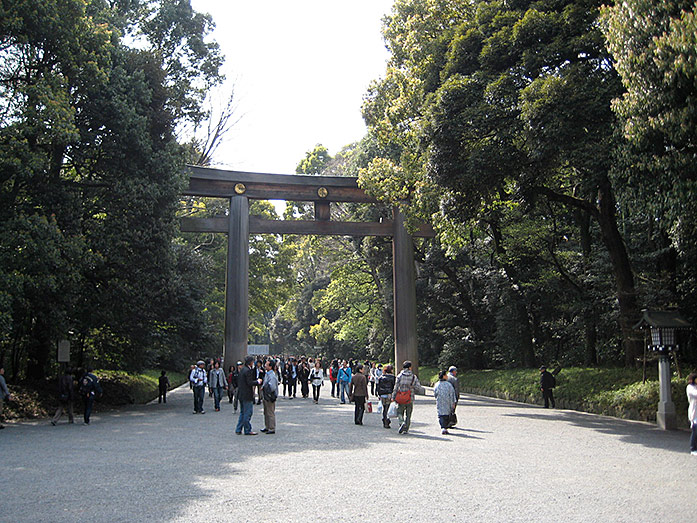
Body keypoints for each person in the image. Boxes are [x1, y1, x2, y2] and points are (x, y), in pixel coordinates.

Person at [391, 361, 421, 434]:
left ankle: (401, 422)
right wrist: (412, 387)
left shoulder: (399, 376)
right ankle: (406, 428)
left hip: (400, 397)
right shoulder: (413, 377)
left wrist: (393, 397)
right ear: (410, 367)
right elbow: (418, 387)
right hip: (410, 397)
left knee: (399, 412)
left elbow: (396, 387)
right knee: (408, 414)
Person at [236, 356, 262, 435]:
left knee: (242, 412)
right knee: (248, 412)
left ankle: (238, 428)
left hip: (241, 394)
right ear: (250, 362)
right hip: (247, 394)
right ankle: (247, 429)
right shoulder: (248, 371)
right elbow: (249, 382)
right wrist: (257, 382)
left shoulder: (242, 370)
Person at [434, 370, 457, 435]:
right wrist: (453, 403)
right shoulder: (449, 385)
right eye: (446, 375)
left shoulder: (437, 385)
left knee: (441, 415)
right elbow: (452, 394)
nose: (447, 376)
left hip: (440, 402)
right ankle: (445, 427)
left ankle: (443, 427)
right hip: (448, 402)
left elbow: (435, 394)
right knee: (447, 415)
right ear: (444, 376)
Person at [261, 360, 279, 434]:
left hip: (270, 396)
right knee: (266, 412)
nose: (265, 365)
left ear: (270, 367)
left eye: (267, 364)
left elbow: (272, 387)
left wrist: (265, 387)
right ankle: (267, 426)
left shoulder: (272, 376)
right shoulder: (267, 374)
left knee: (270, 412)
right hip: (265, 396)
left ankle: (272, 427)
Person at [376, 364, 396, 428]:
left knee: (384, 408)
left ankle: (385, 419)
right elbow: (394, 386)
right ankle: (386, 421)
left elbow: (378, 386)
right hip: (389, 394)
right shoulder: (393, 378)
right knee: (388, 408)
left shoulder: (381, 377)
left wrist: (378, 394)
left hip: (382, 394)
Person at [687, 373, 697, 455]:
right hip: (694, 412)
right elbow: (695, 394)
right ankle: (693, 448)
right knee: (695, 430)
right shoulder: (690, 388)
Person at [0, 365, 11, 430]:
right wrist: (8, 395)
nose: (3, 371)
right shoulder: (1, 378)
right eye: (2, 369)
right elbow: (4, 387)